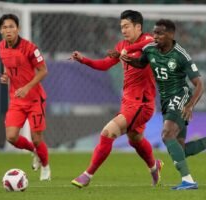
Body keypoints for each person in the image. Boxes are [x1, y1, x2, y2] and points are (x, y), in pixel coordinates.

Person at [116, 19, 206, 190]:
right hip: (165, 100)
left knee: (166, 135)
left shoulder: (181, 55)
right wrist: (128, 59)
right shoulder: (150, 49)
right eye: (154, 32)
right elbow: (142, 63)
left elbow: (200, 84)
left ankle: (188, 180)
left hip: (181, 95)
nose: (155, 36)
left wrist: (189, 106)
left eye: (160, 33)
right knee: (179, 149)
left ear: (171, 35)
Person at [70, 10, 163, 188]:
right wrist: (84, 60)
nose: (124, 30)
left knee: (107, 133)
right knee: (134, 138)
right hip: (128, 102)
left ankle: (87, 175)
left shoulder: (149, 41)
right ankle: (154, 166)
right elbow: (105, 64)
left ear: (138, 27)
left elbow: (150, 44)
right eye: (121, 27)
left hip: (142, 104)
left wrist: (124, 50)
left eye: (127, 26)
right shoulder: (122, 45)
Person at [0, 14, 51, 181]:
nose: (8, 30)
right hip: (16, 99)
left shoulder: (30, 48)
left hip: (35, 99)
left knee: (36, 138)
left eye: (11, 26)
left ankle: (45, 166)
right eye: (5, 27)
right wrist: (6, 76)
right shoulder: (1, 46)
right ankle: (35, 152)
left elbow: (43, 70)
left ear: (18, 29)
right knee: (11, 137)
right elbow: (7, 65)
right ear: (1, 30)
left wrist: (27, 87)